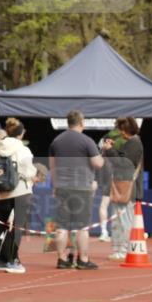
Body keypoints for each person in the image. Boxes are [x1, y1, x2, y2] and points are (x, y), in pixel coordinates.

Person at [50, 109, 103, 270]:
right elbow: (98, 163)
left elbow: (52, 167)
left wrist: (55, 186)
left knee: (61, 226)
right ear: (81, 123)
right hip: (82, 188)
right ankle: (83, 259)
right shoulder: (87, 141)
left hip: (62, 188)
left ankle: (61, 259)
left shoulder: (56, 141)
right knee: (82, 226)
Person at [0, 117, 37, 273]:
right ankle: (12, 261)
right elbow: (29, 172)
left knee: (0, 225)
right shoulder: (23, 150)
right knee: (17, 227)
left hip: (3, 192)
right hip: (21, 191)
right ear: (20, 134)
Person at [104, 116, 144, 261]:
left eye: (121, 129)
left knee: (124, 220)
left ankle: (123, 250)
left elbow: (123, 163)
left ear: (126, 130)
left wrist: (110, 150)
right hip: (123, 186)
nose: (120, 133)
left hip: (127, 188)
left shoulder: (134, 143)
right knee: (119, 220)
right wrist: (112, 148)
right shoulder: (131, 142)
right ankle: (118, 249)